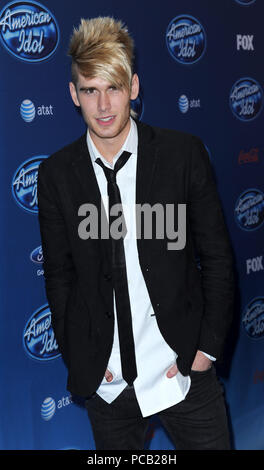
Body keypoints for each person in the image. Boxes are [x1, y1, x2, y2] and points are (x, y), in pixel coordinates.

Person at [37, 17, 234, 450]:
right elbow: (59, 277)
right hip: (109, 388)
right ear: (74, 94)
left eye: (114, 88)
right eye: (90, 90)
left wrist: (205, 351)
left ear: (135, 87)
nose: (103, 105)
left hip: (182, 371)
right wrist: (82, 357)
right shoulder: (56, 176)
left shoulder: (183, 155)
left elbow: (217, 257)